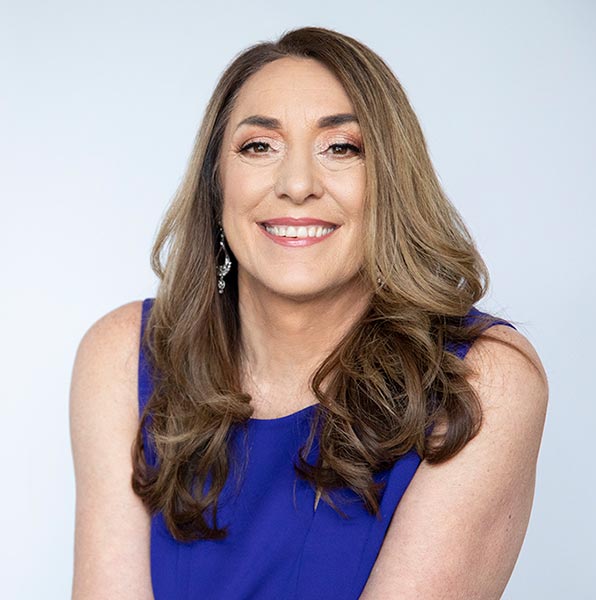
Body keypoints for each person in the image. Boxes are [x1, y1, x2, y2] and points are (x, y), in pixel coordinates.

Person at [69, 26, 548, 600]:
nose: (297, 185)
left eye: (341, 147)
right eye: (259, 146)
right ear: (216, 186)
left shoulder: (482, 380)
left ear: (391, 183)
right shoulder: (125, 356)